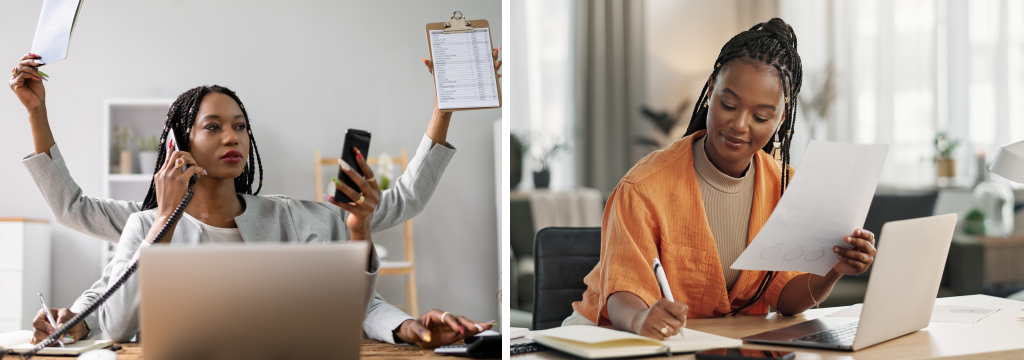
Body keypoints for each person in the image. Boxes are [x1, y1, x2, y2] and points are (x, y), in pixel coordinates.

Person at [9, 49, 501, 348]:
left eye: (241, 126)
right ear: (178, 144)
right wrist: (36, 115)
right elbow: (86, 239)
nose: (233, 137)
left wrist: (443, 111)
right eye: (214, 127)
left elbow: (400, 208)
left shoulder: (295, 219)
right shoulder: (146, 222)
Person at [562, 18, 877, 340]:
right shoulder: (643, 188)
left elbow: (786, 299)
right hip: (614, 336)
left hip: (711, 342)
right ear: (711, 90)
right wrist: (642, 318)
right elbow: (622, 294)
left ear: (781, 119)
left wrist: (834, 269)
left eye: (760, 116)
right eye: (729, 104)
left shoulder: (786, 188)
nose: (739, 125)